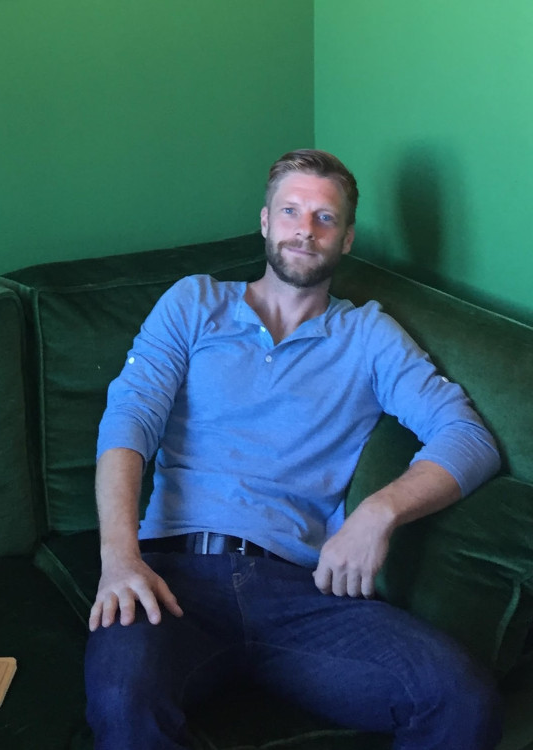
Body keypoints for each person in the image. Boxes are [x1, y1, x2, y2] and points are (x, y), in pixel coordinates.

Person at [85, 149, 503, 749]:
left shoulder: (368, 335)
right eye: (290, 211)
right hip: (171, 578)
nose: (305, 229)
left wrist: (379, 512)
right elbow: (129, 423)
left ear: (348, 238)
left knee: (463, 699)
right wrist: (120, 560)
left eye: (324, 218)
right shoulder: (194, 304)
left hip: (303, 595)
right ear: (264, 222)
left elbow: (469, 437)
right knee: (124, 704)